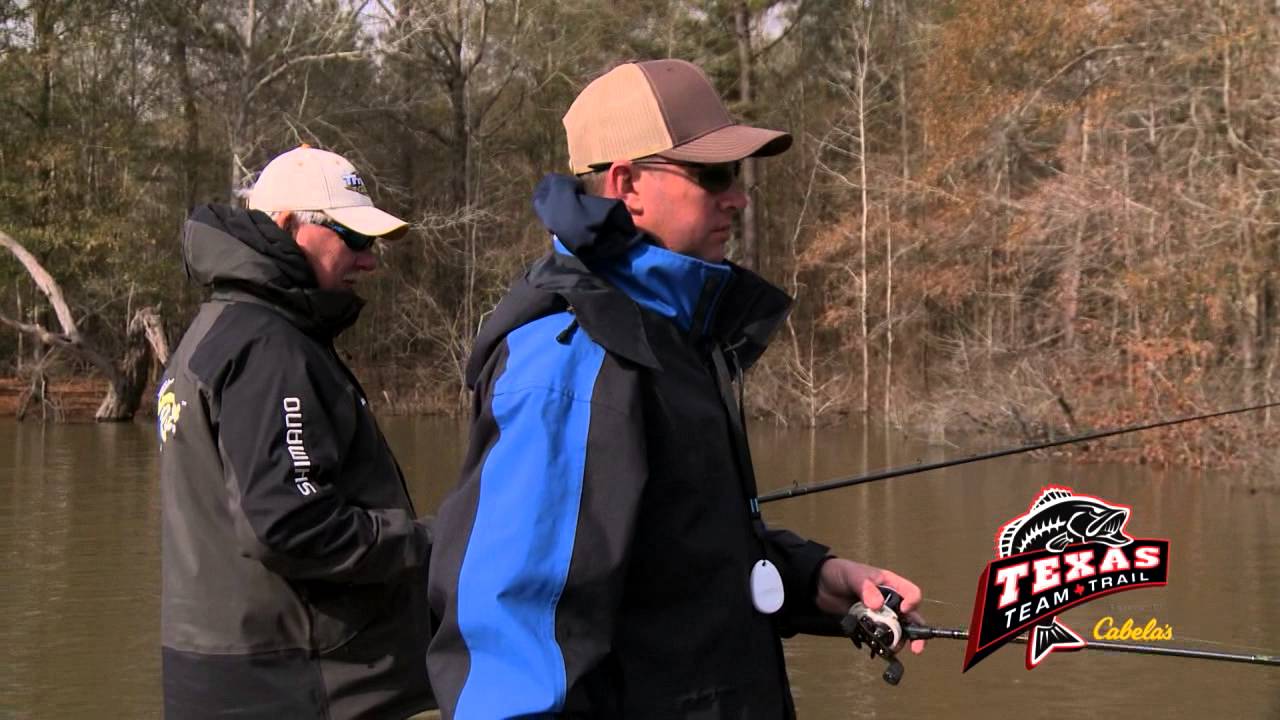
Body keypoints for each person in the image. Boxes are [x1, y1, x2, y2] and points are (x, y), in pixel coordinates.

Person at [426, 59, 925, 718]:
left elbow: (674, 550)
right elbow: (509, 644)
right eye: (713, 173)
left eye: (738, 174)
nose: (737, 196)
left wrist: (813, 579)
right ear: (626, 182)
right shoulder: (573, 361)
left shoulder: (671, 335)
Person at [157, 145, 435, 719]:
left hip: (222, 674)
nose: (370, 261)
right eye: (354, 239)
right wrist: (424, 544)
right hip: (289, 683)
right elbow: (288, 524)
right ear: (287, 226)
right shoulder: (268, 346)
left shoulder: (212, 331)